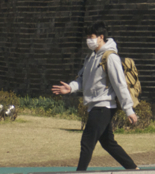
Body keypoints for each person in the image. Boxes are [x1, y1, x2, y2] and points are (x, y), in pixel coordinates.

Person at [52, 22, 139, 171]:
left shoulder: (110, 57)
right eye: (87, 37)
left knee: (87, 141)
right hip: (94, 105)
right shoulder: (90, 57)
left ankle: (80, 172)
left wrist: (129, 110)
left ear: (101, 37)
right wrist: (71, 87)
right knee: (108, 143)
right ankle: (133, 169)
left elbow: (120, 85)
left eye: (91, 37)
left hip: (104, 105)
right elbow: (82, 79)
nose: (88, 40)